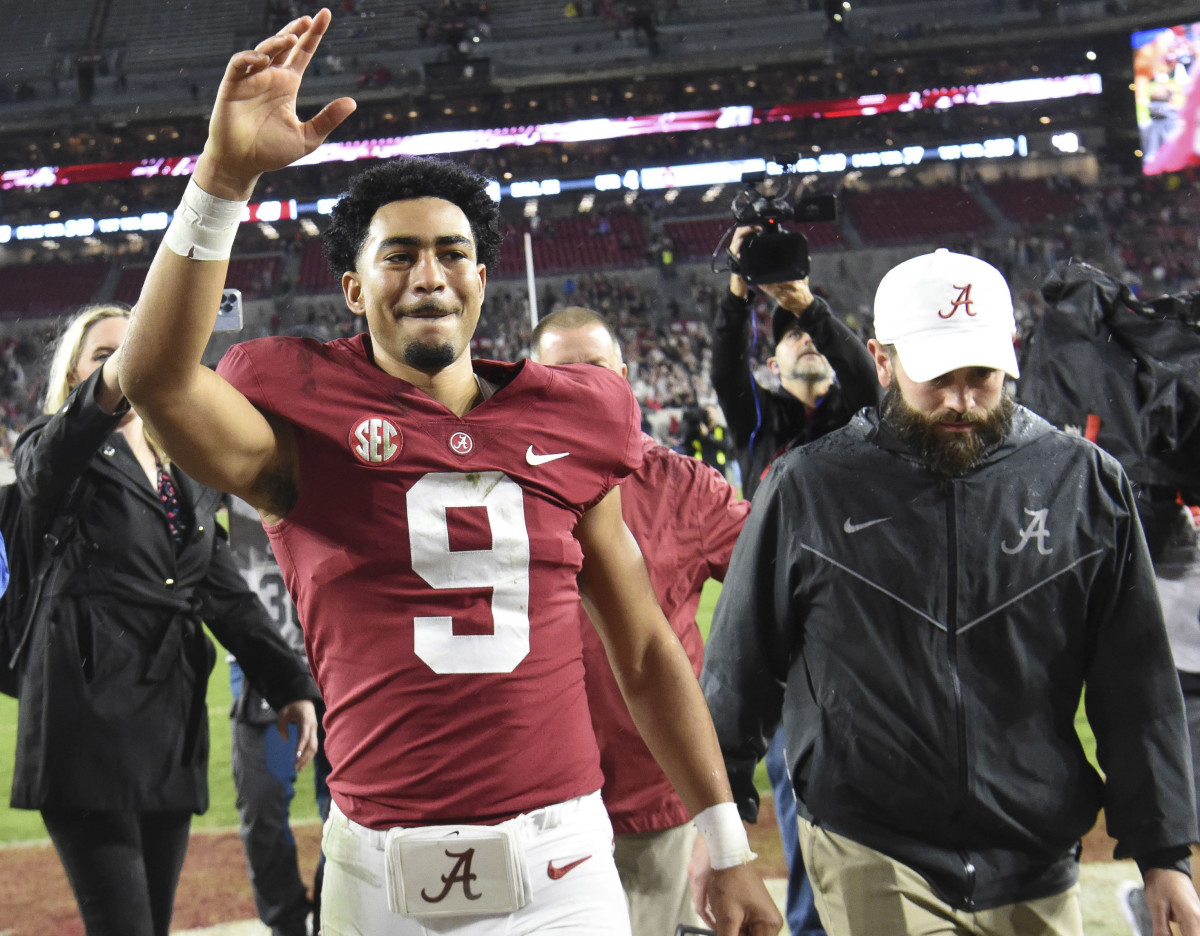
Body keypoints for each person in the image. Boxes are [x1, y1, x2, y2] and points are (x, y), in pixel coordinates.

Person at [118, 12, 781, 936]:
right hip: (381, 871)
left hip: (563, 862)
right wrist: (223, 181)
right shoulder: (301, 413)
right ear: (354, 289)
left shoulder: (576, 413)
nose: (428, 273)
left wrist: (730, 844)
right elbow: (152, 379)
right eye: (398, 254)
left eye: (452, 252)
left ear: (480, 281)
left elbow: (641, 649)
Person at [697, 248, 1200, 936]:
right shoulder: (808, 487)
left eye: (982, 376)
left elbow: (1137, 687)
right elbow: (737, 674)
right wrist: (719, 838)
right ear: (881, 361)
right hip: (874, 848)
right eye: (937, 377)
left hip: (1038, 852)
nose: (962, 399)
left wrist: (1165, 855)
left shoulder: (1084, 485)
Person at [9, 304, 319, 936]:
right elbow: (38, 472)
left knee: (152, 923)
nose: (127, 363)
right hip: (85, 724)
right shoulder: (54, 451)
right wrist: (117, 378)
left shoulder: (189, 475)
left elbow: (223, 593)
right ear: (75, 379)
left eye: (138, 350)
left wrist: (290, 686)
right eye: (105, 355)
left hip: (168, 724)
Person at [530, 306, 752, 936]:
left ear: (624, 378)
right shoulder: (496, 489)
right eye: (559, 374)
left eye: (594, 371)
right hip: (538, 806)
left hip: (659, 804)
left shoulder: (684, 487)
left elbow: (778, 588)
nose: (578, 388)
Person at [711, 225, 880, 936]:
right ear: (772, 362)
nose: (804, 345)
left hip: (859, 625)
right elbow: (726, 370)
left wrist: (806, 306)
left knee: (870, 786)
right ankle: (812, 925)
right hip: (786, 633)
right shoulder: (761, 422)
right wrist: (738, 293)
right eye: (788, 339)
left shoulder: (861, 418)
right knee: (793, 780)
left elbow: (868, 378)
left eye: (809, 337)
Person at [226, 493, 332, 936]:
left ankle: (333, 912)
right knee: (263, 804)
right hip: (265, 665)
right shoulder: (231, 446)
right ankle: (286, 925)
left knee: (351, 808)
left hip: (339, 658)